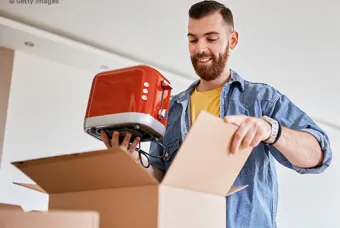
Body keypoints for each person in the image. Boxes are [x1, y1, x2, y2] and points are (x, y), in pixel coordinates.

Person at [101, 1, 332, 227]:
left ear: (232, 40)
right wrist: (133, 161)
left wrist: (270, 130)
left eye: (211, 39)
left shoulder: (260, 99)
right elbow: (162, 182)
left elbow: (319, 155)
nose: (200, 49)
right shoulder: (169, 110)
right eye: (193, 39)